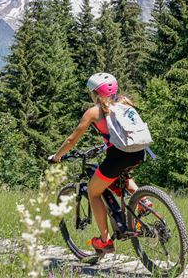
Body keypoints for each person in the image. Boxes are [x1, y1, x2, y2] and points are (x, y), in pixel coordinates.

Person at [50, 72, 148, 255]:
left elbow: (72, 140)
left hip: (118, 156)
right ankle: (143, 200)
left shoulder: (94, 112)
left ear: (94, 93)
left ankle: (105, 242)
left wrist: (57, 156)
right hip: (139, 152)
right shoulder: (125, 103)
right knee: (121, 175)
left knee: (94, 192)